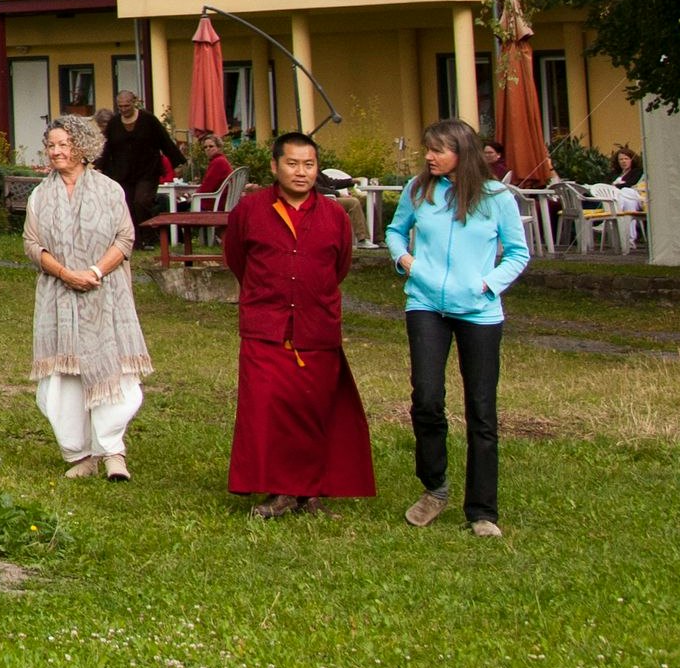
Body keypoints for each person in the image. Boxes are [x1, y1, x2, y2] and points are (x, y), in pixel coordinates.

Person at [222, 129, 377, 515]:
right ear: (275, 166)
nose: (301, 172)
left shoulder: (334, 216)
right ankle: (280, 490)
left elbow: (338, 267)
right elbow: (237, 258)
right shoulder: (250, 210)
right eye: (292, 164)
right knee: (267, 407)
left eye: (309, 164)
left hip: (316, 325)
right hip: (266, 322)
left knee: (313, 409)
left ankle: (310, 492)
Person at [387, 116, 528, 537]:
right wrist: (404, 260)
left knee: (481, 410)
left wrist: (487, 285)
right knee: (427, 398)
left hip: (480, 313)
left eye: (438, 149)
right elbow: (396, 232)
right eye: (427, 148)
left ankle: (482, 511)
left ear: (461, 153)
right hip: (426, 305)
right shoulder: (418, 190)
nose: (429, 156)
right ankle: (435, 487)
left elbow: (518, 254)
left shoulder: (497, 197)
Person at [25, 114, 152, 482]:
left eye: (63, 144)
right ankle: (79, 454)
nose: (56, 152)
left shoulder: (110, 190)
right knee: (63, 380)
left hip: (105, 292)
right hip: (58, 294)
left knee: (114, 372)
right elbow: (33, 245)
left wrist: (95, 272)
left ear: (82, 148)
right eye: (51, 145)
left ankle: (112, 451)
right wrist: (66, 274)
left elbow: (124, 240)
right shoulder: (40, 195)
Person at [96, 91, 180, 234]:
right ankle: (133, 239)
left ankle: (148, 236)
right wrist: (99, 167)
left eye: (127, 106)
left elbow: (164, 140)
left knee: (141, 201)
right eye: (120, 106)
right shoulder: (114, 124)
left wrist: (177, 162)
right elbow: (107, 147)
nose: (123, 109)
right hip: (123, 172)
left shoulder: (148, 120)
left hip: (147, 171)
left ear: (134, 102)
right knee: (126, 204)